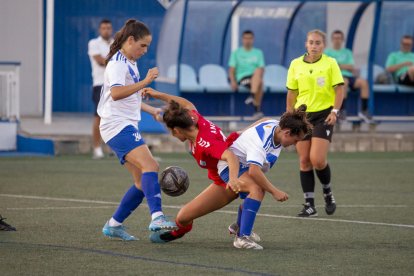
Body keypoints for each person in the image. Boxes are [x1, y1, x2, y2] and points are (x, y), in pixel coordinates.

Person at [144, 88, 309, 249]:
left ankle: (242, 236)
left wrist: (234, 179)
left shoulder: (205, 143)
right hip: (222, 176)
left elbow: (230, 156)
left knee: (256, 188)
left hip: (229, 171)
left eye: (172, 132)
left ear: (178, 129)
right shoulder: (195, 119)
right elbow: (186, 103)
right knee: (183, 218)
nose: (173, 135)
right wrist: (158, 95)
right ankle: (181, 232)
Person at [98, 19, 176, 241]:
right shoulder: (118, 63)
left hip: (124, 123)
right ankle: (157, 217)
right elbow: (116, 93)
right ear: (130, 40)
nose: (145, 50)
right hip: (116, 124)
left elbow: (128, 96)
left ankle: (113, 225)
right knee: (151, 165)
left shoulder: (129, 61)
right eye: (143, 45)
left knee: (142, 181)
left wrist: (152, 110)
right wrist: (145, 81)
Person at [286, 29, 345, 217]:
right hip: (303, 117)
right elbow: (291, 93)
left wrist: (335, 111)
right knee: (304, 161)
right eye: (311, 42)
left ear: (323, 45)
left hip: (324, 115)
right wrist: (290, 115)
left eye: (318, 43)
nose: (314, 46)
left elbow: (339, 89)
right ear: (306, 44)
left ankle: (327, 192)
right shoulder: (295, 64)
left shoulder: (330, 63)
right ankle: (309, 205)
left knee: (317, 159)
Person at [324, 30, 372, 123]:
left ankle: (364, 111)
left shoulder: (347, 52)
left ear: (342, 40)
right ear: (332, 39)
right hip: (335, 77)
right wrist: (342, 66)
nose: (337, 40)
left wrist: (338, 65)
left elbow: (351, 67)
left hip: (349, 76)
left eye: (339, 38)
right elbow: (327, 67)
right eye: (335, 38)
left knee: (364, 82)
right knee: (343, 82)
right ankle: (341, 111)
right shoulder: (327, 52)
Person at [88, 19, 114, 159]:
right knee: (98, 117)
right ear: (99, 30)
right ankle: (97, 148)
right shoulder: (93, 43)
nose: (106, 30)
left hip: (115, 85)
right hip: (100, 84)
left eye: (108, 28)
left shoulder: (116, 43)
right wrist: (116, 61)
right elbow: (100, 61)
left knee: (113, 116)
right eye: (103, 28)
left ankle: (111, 147)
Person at [228, 30, 265, 119]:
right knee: (260, 82)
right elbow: (231, 69)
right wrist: (233, 81)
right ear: (242, 39)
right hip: (242, 78)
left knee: (258, 71)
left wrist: (256, 77)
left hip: (254, 77)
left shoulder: (258, 52)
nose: (247, 40)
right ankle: (256, 109)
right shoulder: (236, 53)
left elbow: (262, 68)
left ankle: (252, 97)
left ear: (253, 39)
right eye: (246, 38)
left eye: (250, 38)